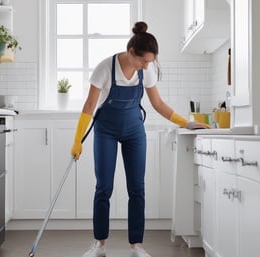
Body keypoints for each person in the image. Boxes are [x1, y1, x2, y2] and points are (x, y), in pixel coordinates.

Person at [71, 21, 209, 257]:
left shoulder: (147, 70)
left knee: (137, 188)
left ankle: (137, 245)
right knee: (103, 187)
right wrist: (78, 140)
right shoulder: (105, 68)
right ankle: (99, 245)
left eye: (149, 62)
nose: (146, 66)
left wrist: (187, 123)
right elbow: (89, 106)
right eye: (143, 61)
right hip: (106, 130)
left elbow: (158, 104)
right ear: (130, 52)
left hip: (134, 131)